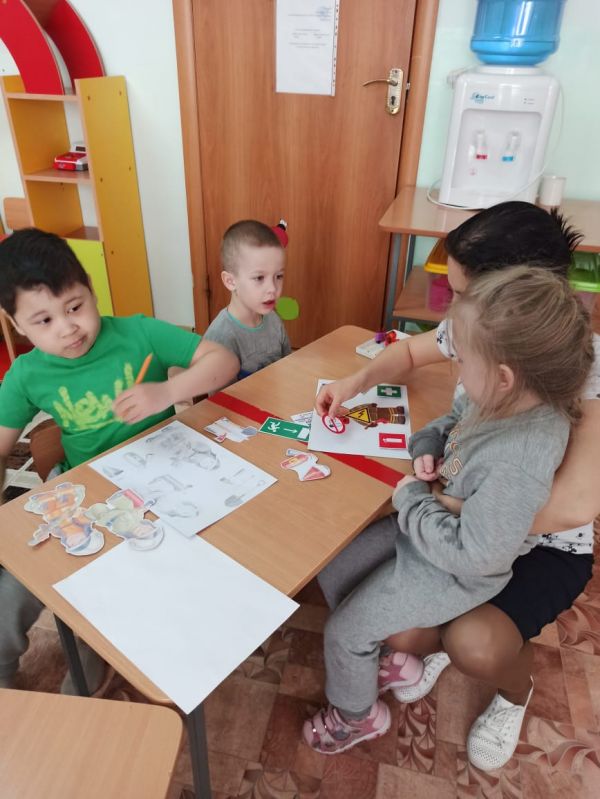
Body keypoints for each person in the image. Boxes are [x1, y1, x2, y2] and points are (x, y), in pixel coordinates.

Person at [314, 201, 600, 770]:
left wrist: (435, 504)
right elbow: (453, 409)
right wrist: (364, 385)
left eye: (464, 295)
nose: (451, 320)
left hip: (514, 540)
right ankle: (392, 653)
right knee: (349, 580)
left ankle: (510, 692)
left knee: (464, 640)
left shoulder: (552, 392)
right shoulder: (491, 356)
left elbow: (569, 505)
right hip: (457, 521)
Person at [0, 227, 238, 692]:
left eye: (75, 307)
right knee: (14, 587)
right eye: (43, 320)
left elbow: (223, 361)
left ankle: (95, 664)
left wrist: (167, 391)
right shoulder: (27, 374)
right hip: (83, 494)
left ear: (91, 289)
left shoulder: (138, 333)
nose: (67, 327)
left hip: (158, 493)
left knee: (118, 598)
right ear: (17, 324)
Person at [203, 219, 291, 379]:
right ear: (230, 281)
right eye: (259, 278)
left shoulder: (274, 320)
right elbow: (220, 395)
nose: (272, 288)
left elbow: (288, 369)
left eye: (278, 276)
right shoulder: (220, 337)